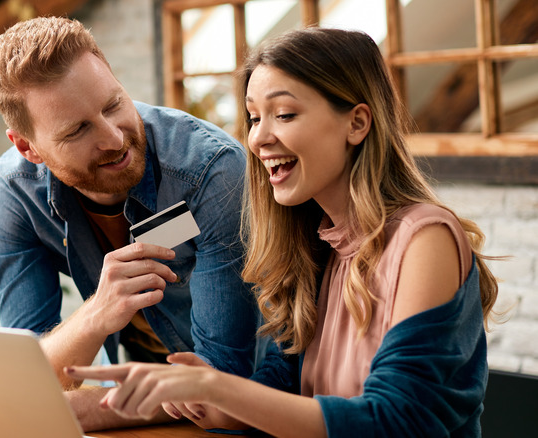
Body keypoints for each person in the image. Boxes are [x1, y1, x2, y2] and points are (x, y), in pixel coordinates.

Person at [66, 27, 500, 437]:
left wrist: (221, 390)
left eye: (285, 114)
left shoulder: (424, 239)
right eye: (254, 118)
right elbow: (280, 388)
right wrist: (203, 398)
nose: (258, 139)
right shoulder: (316, 247)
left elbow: (398, 420)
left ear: (357, 123)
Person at [0, 17, 261, 431]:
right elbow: (28, 372)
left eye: (113, 104)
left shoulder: (210, 171)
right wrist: (97, 314)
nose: (114, 138)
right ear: (28, 147)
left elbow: (223, 381)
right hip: (146, 409)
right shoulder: (15, 193)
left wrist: (80, 409)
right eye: (78, 129)